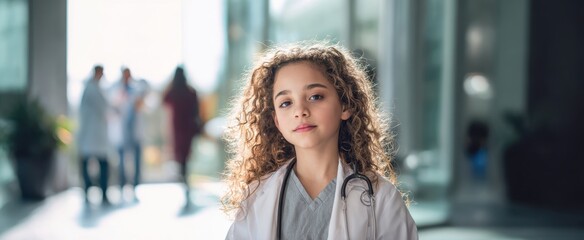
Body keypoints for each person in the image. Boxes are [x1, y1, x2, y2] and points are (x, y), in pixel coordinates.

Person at [221, 41, 418, 239]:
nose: (300, 111)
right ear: (277, 122)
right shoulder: (258, 196)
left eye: (315, 97)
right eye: (286, 103)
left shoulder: (381, 197)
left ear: (345, 106)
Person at [162, 66, 203, 206]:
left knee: (181, 158)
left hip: (177, 129)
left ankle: (185, 180)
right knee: (185, 158)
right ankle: (186, 181)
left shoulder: (173, 92)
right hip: (188, 129)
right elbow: (197, 110)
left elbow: (164, 99)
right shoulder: (190, 92)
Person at [108, 67, 148, 200]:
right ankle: (121, 186)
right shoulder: (117, 91)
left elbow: (143, 101)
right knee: (121, 162)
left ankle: (135, 186)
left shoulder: (137, 89)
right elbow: (113, 108)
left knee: (136, 162)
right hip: (122, 132)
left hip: (135, 132)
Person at [77, 65, 110, 205]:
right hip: (91, 133)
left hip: (96, 134)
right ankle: (89, 192)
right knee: (94, 162)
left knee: (100, 162)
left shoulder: (94, 88)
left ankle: (100, 192)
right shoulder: (91, 89)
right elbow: (103, 107)